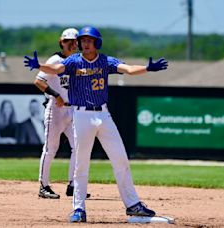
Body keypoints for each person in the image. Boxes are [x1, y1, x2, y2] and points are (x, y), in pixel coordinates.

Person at [24, 26, 168, 222]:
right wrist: (40, 65)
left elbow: (128, 69)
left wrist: (147, 68)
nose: (84, 43)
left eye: (89, 40)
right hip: (81, 115)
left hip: (103, 114)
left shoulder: (105, 60)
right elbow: (56, 69)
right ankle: (78, 209)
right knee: (81, 164)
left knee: (120, 158)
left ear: (97, 43)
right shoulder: (74, 61)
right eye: (82, 40)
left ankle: (133, 204)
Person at [34, 28, 90, 199]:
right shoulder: (55, 59)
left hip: (73, 109)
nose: (72, 44)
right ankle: (43, 186)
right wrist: (55, 94)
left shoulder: (76, 61)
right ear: (62, 42)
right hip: (56, 109)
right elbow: (38, 81)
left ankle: (73, 185)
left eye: (75, 42)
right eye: (69, 41)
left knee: (78, 148)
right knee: (51, 149)